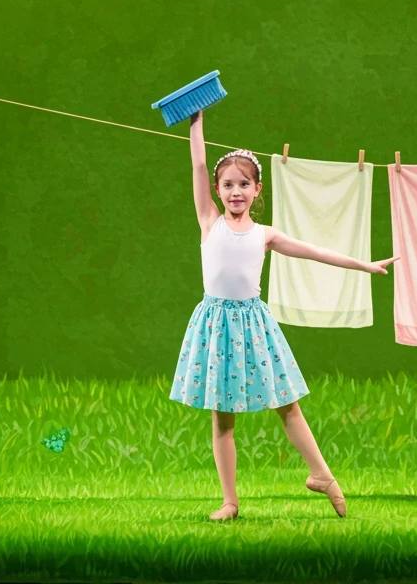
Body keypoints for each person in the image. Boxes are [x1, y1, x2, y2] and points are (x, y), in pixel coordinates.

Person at [169, 109, 398, 522]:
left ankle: (321, 474)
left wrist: (365, 265)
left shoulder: (265, 235)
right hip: (216, 324)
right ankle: (230, 501)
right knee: (222, 418)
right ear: (217, 191)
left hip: (253, 325)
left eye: (243, 184)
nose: (235, 191)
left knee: (287, 404)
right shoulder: (209, 222)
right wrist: (196, 123)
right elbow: (199, 164)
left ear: (258, 189)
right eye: (228, 185)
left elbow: (317, 252)